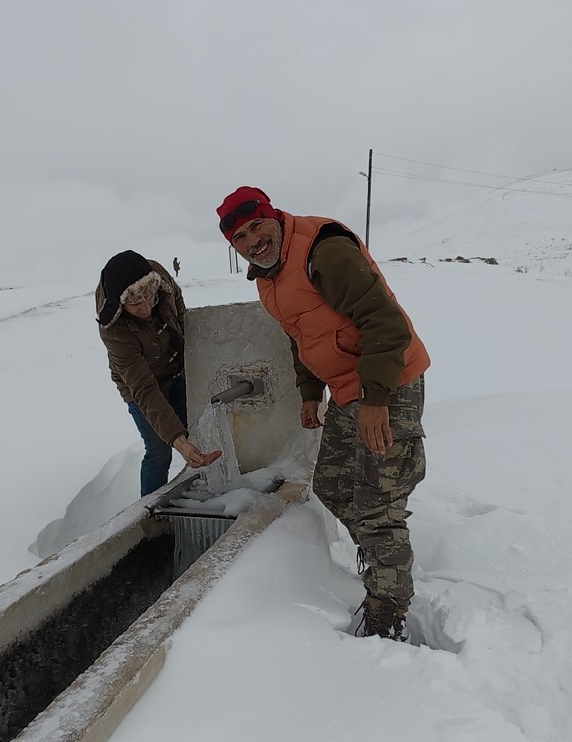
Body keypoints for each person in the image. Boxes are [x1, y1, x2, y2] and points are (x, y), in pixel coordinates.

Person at [215, 186, 430, 641]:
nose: (253, 241)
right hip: (348, 389)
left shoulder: (323, 251)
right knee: (332, 487)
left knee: (377, 502)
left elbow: (385, 324)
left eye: (257, 226)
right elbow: (301, 334)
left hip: (389, 382)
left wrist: (375, 402)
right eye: (240, 238)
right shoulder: (267, 278)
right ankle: (381, 558)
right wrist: (310, 392)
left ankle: (387, 614)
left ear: (273, 216)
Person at [96, 250, 220, 497]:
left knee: (196, 432)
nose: (145, 308)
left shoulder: (159, 277)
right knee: (159, 450)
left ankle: (208, 492)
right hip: (139, 385)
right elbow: (144, 389)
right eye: (135, 303)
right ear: (120, 304)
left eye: (149, 297)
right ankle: (150, 515)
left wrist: (188, 358)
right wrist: (178, 440)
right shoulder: (114, 331)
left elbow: (179, 309)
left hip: (175, 370)